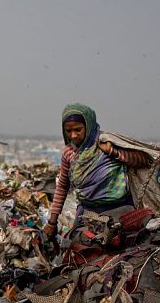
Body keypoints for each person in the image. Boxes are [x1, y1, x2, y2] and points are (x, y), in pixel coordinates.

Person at [43, 103, 151, 247]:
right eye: (68, 131)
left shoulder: (107, 142)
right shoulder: (69, 153)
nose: (73, 135)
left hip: (120, 211)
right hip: (88, 215)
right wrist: (52, 222)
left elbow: (143, 161)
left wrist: (113, 152)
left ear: (88, 125)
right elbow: (62, 186)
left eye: (78, 130)